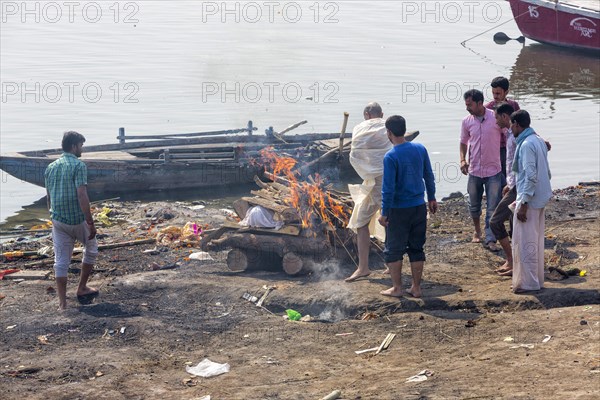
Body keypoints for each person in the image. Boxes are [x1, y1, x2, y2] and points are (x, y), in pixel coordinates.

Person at [378, 115, 437, 298]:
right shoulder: (420, 148)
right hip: (419, 206)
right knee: (416, 248)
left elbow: (388, 189)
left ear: (389, 132)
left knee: (394, 249)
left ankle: (397, 288)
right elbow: (428, 175)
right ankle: (416, 288)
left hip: (399, 209)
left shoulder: (391, 156)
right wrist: (432, 198)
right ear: (404, 129)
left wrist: (384, 212)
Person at [45, 131, 98, 310]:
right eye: (81, 146)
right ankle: (81, 288)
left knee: (60, 261)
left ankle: (62, 304)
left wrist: (52, 217)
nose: (81, 149)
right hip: (77, 219)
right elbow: (82, 195)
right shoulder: (78, 165)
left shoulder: (50, 167)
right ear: (74, 146)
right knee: (91, 249)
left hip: (58, 220)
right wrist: (90, 222)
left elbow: (49, 197)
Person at [345, 102, 392, 282]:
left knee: (360, 222)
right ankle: (390, 263)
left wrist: (368, 169)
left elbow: (355, 154)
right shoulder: (388, 126)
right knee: (389, 220)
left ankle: (364, 267)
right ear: (381, 113)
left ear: (366, 114)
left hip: (374, 181)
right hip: (389, 179)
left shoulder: (360, 128)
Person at [510, 110, 552, 293]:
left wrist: (524, 203)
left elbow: (531, 175)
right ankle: (535, 281)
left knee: (524, 244)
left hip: (531, 200)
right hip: (539, 198)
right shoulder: (538, 140)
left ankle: (528, 284)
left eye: (512, 125)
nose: (511, 128)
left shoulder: (527, 144)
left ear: (517, 124)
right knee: (534, 242)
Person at [459, 89, 503, 251]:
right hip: (474, 170)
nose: (467, 108)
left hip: (494, 170)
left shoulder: (495, 117)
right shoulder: (466, 121)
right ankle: (477, 232)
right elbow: (463, 141)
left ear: (479, 103)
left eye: (470, 104)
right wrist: (463, 159)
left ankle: (490, 238)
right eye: (466, 105)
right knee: (474, 205)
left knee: (493, 206)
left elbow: (509, 132)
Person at [490, 103, 518, 275]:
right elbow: (512, 162)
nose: (495, 121)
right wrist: (509, 182)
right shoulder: (509, 134)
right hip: (513, 185)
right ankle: (513, 261)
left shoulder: (517, 136)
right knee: (513, 225)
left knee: (495, 221)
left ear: (505, 117)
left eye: (497, 117)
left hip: (519, 187)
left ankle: (512, 261)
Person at [485, 77, 521, 178]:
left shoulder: (513, 105)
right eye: (493, 93)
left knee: (512, 174)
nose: (495, 96)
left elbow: (522, 124)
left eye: (498, 93)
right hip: (495, 148)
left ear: (506, 92)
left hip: (512, 144)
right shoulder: (488, 108)